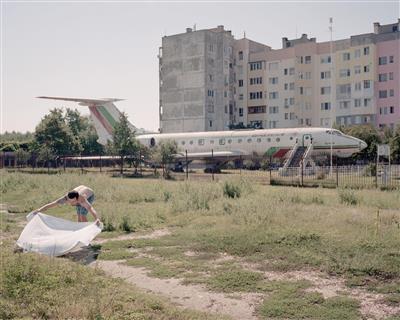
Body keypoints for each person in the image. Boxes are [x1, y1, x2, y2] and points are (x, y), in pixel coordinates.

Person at [33, 185, 101, 224]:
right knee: (79, 216)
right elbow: (52, 204)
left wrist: (97, 219)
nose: (70, 203)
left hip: (89, 194)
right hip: (81, 189)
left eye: (72, 202)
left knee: (82, 215)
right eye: (69, 201)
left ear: (77, 199)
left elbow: (91, 209)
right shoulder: (65, 198)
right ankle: (80, 232)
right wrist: (39, 210)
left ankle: (87, 234)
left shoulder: (82, 200)